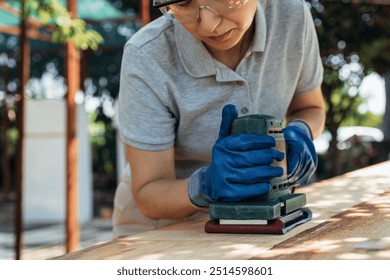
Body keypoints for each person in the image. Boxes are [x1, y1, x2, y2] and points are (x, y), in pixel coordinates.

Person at [112, 0, 326, 238]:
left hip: (259, 217)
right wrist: (204, 185)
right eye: (183, 3)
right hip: (160, 229)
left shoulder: (292, 17)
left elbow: (311, 108)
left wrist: (300, 132)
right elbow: (148, 194)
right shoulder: (147, 55)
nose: (208, 25)